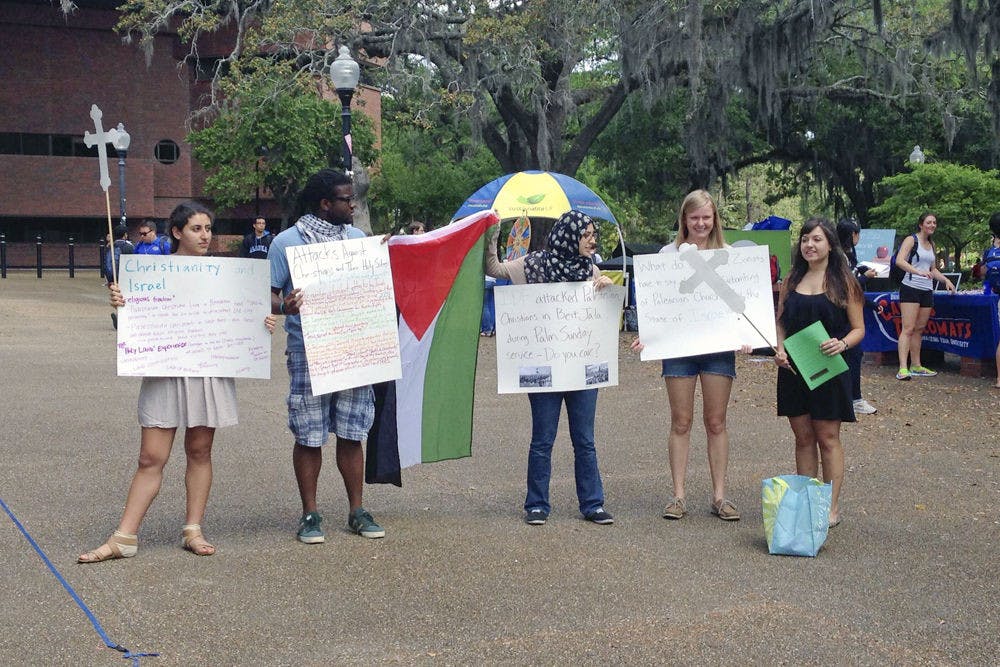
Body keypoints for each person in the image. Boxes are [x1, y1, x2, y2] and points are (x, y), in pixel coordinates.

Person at [78, 202, 276, 563]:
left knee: (200, 450)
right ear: (177, 232)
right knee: (150, 456)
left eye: (208, 229)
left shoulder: (228, 273)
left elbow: (245, 316)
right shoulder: (151, 271)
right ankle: (124, 536)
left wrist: (259, 322)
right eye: (196, 229)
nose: (205, 235)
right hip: (166, 366)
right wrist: (123, 303)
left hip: (208, 368)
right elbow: (136, 325)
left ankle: (193, 529)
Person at [269, 168, 385, 544]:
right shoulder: (285, 243)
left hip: (354, 347)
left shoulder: (357, 239)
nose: (352, 205)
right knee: (309, 433)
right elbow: (266, 295)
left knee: (353, 432)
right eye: (346, 199)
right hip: (308, 349)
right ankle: (310, 513)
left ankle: (356, 510)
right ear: (324, 203)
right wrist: (285, 305)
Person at [485, 209, 615, 526]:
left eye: (593, 235)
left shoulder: (592, 270)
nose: (592, 240)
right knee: (542, 439)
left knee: (585, 439)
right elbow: (495, 268)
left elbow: (602, 315)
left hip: (580, 369)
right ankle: (537, 504)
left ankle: (593, 504)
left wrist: (606, 287)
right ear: (569, 236)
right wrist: (492, 232)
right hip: (543, 368)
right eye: (586, 235)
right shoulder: (533, 265)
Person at [630, 190, 748, 522]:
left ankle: (720, 496)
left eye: (706, 217)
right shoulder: (667, 254)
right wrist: (648, 335)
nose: (700, 223)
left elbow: (742, 301)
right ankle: (679, 495)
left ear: (715, 220)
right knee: (681, 421)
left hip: (717, 348)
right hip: (679, 348)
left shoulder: (727, 254)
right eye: (694, 217)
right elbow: (659, 303)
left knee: (716, 421)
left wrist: (747, 336)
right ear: (684, 219)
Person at [774, 218, 865, 529]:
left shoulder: (844, 283)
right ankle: (806, 501)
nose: (809, 245)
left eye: (816, 239)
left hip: (828, 368)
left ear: (830, 245)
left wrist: (841, 344)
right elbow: (781, 322)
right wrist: (779, 349)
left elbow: (858, 330)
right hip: (793, 368)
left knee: (827, 438)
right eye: (804, 239)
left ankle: (830, 505)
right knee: (802, 438)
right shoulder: (791, 280)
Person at [894, 212, 955, 380]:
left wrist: (945, 280)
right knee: (908, 328)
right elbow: (899, 260)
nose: (932, 225)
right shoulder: (911, 240)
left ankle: (916, 365)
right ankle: (902, 368)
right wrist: (917, 271)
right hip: (911, 287)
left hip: (927, 290)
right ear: (921, 224)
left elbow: (933, 269)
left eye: (934, 222)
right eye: (929, 222)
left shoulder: (932, 244)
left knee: (919, 329)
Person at [835, 219, 878, 415]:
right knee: (852, 353)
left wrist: (872, 305)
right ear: (852, 235)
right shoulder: (838, 257)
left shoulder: (848, 255)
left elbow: (854, 277)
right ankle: (854, 399)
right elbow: (848, 287)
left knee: (853, 354)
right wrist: (865, 277)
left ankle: (849, 396)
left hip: (852, 309)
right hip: (842, 313)